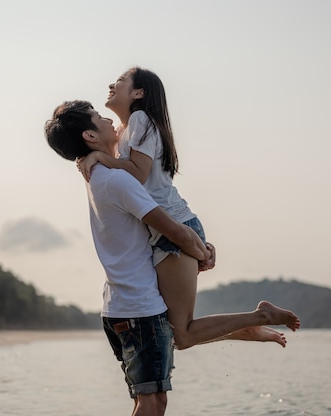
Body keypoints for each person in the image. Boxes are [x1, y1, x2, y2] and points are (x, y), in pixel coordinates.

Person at [45, 100, 299, 415]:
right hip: (139, 309)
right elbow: (172, 229)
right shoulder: (117, 180)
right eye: (99, 118)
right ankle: (256, 321)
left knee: (152, 394)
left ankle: (251, 326)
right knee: (152, 402)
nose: (109, 120)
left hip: (119, 307)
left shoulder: (98, 175)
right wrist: (201, 251)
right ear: (90, 136)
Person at [77, 67, 299, 350]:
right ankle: (248, 328)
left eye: (120, 81)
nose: (112, 84)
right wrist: (90, 156)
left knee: (181, 334)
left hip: (174, 228)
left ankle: (260, 316)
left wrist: (98, 156)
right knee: (173, 333)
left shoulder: (141, 119)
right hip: (165, 230)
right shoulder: (124, 131)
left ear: (138, 93)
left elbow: (138, 174)